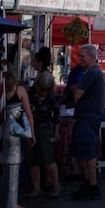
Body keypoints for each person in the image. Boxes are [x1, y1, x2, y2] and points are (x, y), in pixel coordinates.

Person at [69, 44, 105, 202]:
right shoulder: (91, 73)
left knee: (88, 151)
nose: (80, 59)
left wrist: (73, 87)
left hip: (88, 117)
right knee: (81, 151)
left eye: (82, 56)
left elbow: (77, 94)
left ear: (91, 56)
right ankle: (87, 182)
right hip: (87, 115)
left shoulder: (92, 73)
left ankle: (93, 185)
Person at [28, 69, 61, 198]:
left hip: (46, 129)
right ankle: (36, 187)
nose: (43, 92)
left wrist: (56, 133)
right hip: (31, 128)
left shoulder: (53, 97)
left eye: (46, 89)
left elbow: (56, 117)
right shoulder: (31, 93)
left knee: (48, 159)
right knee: (33, 159)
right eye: (42, 89)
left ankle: (56, 185)